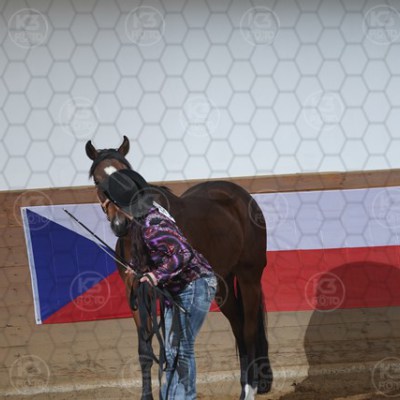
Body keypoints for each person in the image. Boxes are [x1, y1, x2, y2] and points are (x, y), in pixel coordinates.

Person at [99, 169, 217, 399]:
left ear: (118, 205)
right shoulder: (139, 223)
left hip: (195, 285)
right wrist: (137, 268)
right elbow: (150, 253)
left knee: (181, 350)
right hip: (179, 289)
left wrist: (155, 276)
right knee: (173, 350)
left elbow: (182, 254)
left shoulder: (152, 223)